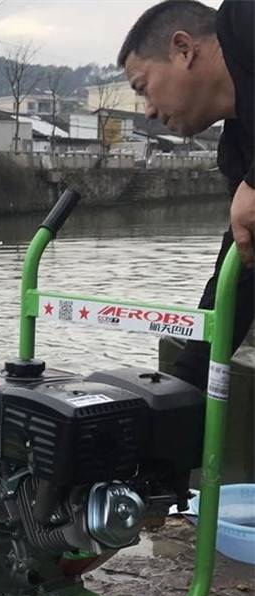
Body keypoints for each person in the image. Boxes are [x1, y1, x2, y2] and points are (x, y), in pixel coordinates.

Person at [118, 0, 254, 389]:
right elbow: (238, 276)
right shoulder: (238, 151)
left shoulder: (242, 18)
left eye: (143, 88)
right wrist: (181, 391)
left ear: (183, 49)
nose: (147, 111)